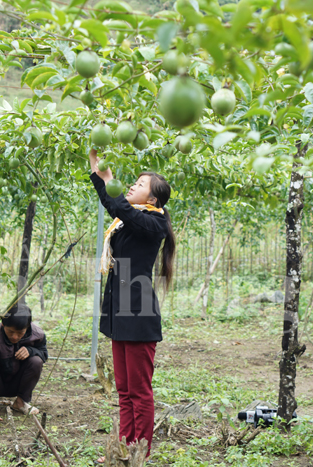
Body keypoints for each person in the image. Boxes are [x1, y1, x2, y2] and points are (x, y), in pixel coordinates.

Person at [89, 149, 176, 460]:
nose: (131, 186)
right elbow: (116, 205)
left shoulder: (155, 224)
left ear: (152, 199)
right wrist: (100, 178)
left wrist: (109, 180)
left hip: (138, 316)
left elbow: (124, 209)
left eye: (139, 184)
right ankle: (125, 447)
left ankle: (141, 452)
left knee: (139, 392)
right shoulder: (128, 221)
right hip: (120, 313)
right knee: (124, 391)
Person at [0, 304, 48, 422]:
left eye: (20, 333)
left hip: (18, 382)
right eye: (10, 331)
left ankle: (21, 402)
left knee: (36, 361)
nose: (15, 337)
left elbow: (44, 353)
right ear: (3, 324)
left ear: (28, 327)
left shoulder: (37, 334)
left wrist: (31, 351)